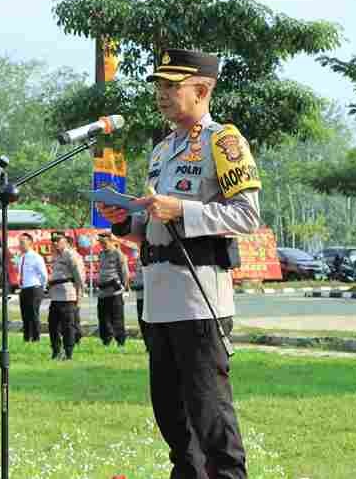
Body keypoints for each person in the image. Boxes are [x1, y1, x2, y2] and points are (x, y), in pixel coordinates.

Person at [100, 49, 259, 478]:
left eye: (173, 86)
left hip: (199, 298)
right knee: (173, 421)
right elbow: (154, 226)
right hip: (158, 299)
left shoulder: (223, 141)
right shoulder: (161, 150)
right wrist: (125, 223)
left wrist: (182, 210)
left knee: (210, 418)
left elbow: (247, 216)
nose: (162, 94)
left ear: (202, 90)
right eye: (160, 86)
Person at [47, 232, 84, 360]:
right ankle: (56, 351)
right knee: (52, 326)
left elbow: (79, 277)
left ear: (66, 241)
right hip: (55, 296)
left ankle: (68, 353)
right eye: (53, 241)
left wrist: (79, 296)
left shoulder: (71, 255)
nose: (55, 243)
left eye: (58, 240)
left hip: (68, 296)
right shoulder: (57, 256)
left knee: (68, 327)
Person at [95, 232, 129, 347]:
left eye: (104, 243)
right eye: (100, 243)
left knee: (117, 318)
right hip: (102, 291)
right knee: (103, 318)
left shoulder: (118, 254)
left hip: (114, 291)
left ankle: (120, 341)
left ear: (111, 241)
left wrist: (124, 287)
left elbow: (124, 272)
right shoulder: (101, 254)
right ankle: (106, 340)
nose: (102, 245)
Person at [18, 232, 48, 342]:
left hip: (34, 288)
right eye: (19, 243)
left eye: (22, 242)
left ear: (30, 243)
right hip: (24, 289)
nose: (20, 245)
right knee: (25, 314)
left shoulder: (36, 257)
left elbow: (44, 274)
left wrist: (42, 287)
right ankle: (26, 337)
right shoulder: (21, 257)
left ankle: (36, 338)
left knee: (33, 314)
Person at [132, 256, 149, 352]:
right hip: (139, 297)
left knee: (148, 324)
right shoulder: (139, 259)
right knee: (142, 323)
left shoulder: (149, 258)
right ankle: (147, 345)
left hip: (147, 297)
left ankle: (151, 345)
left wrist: (141, 285)